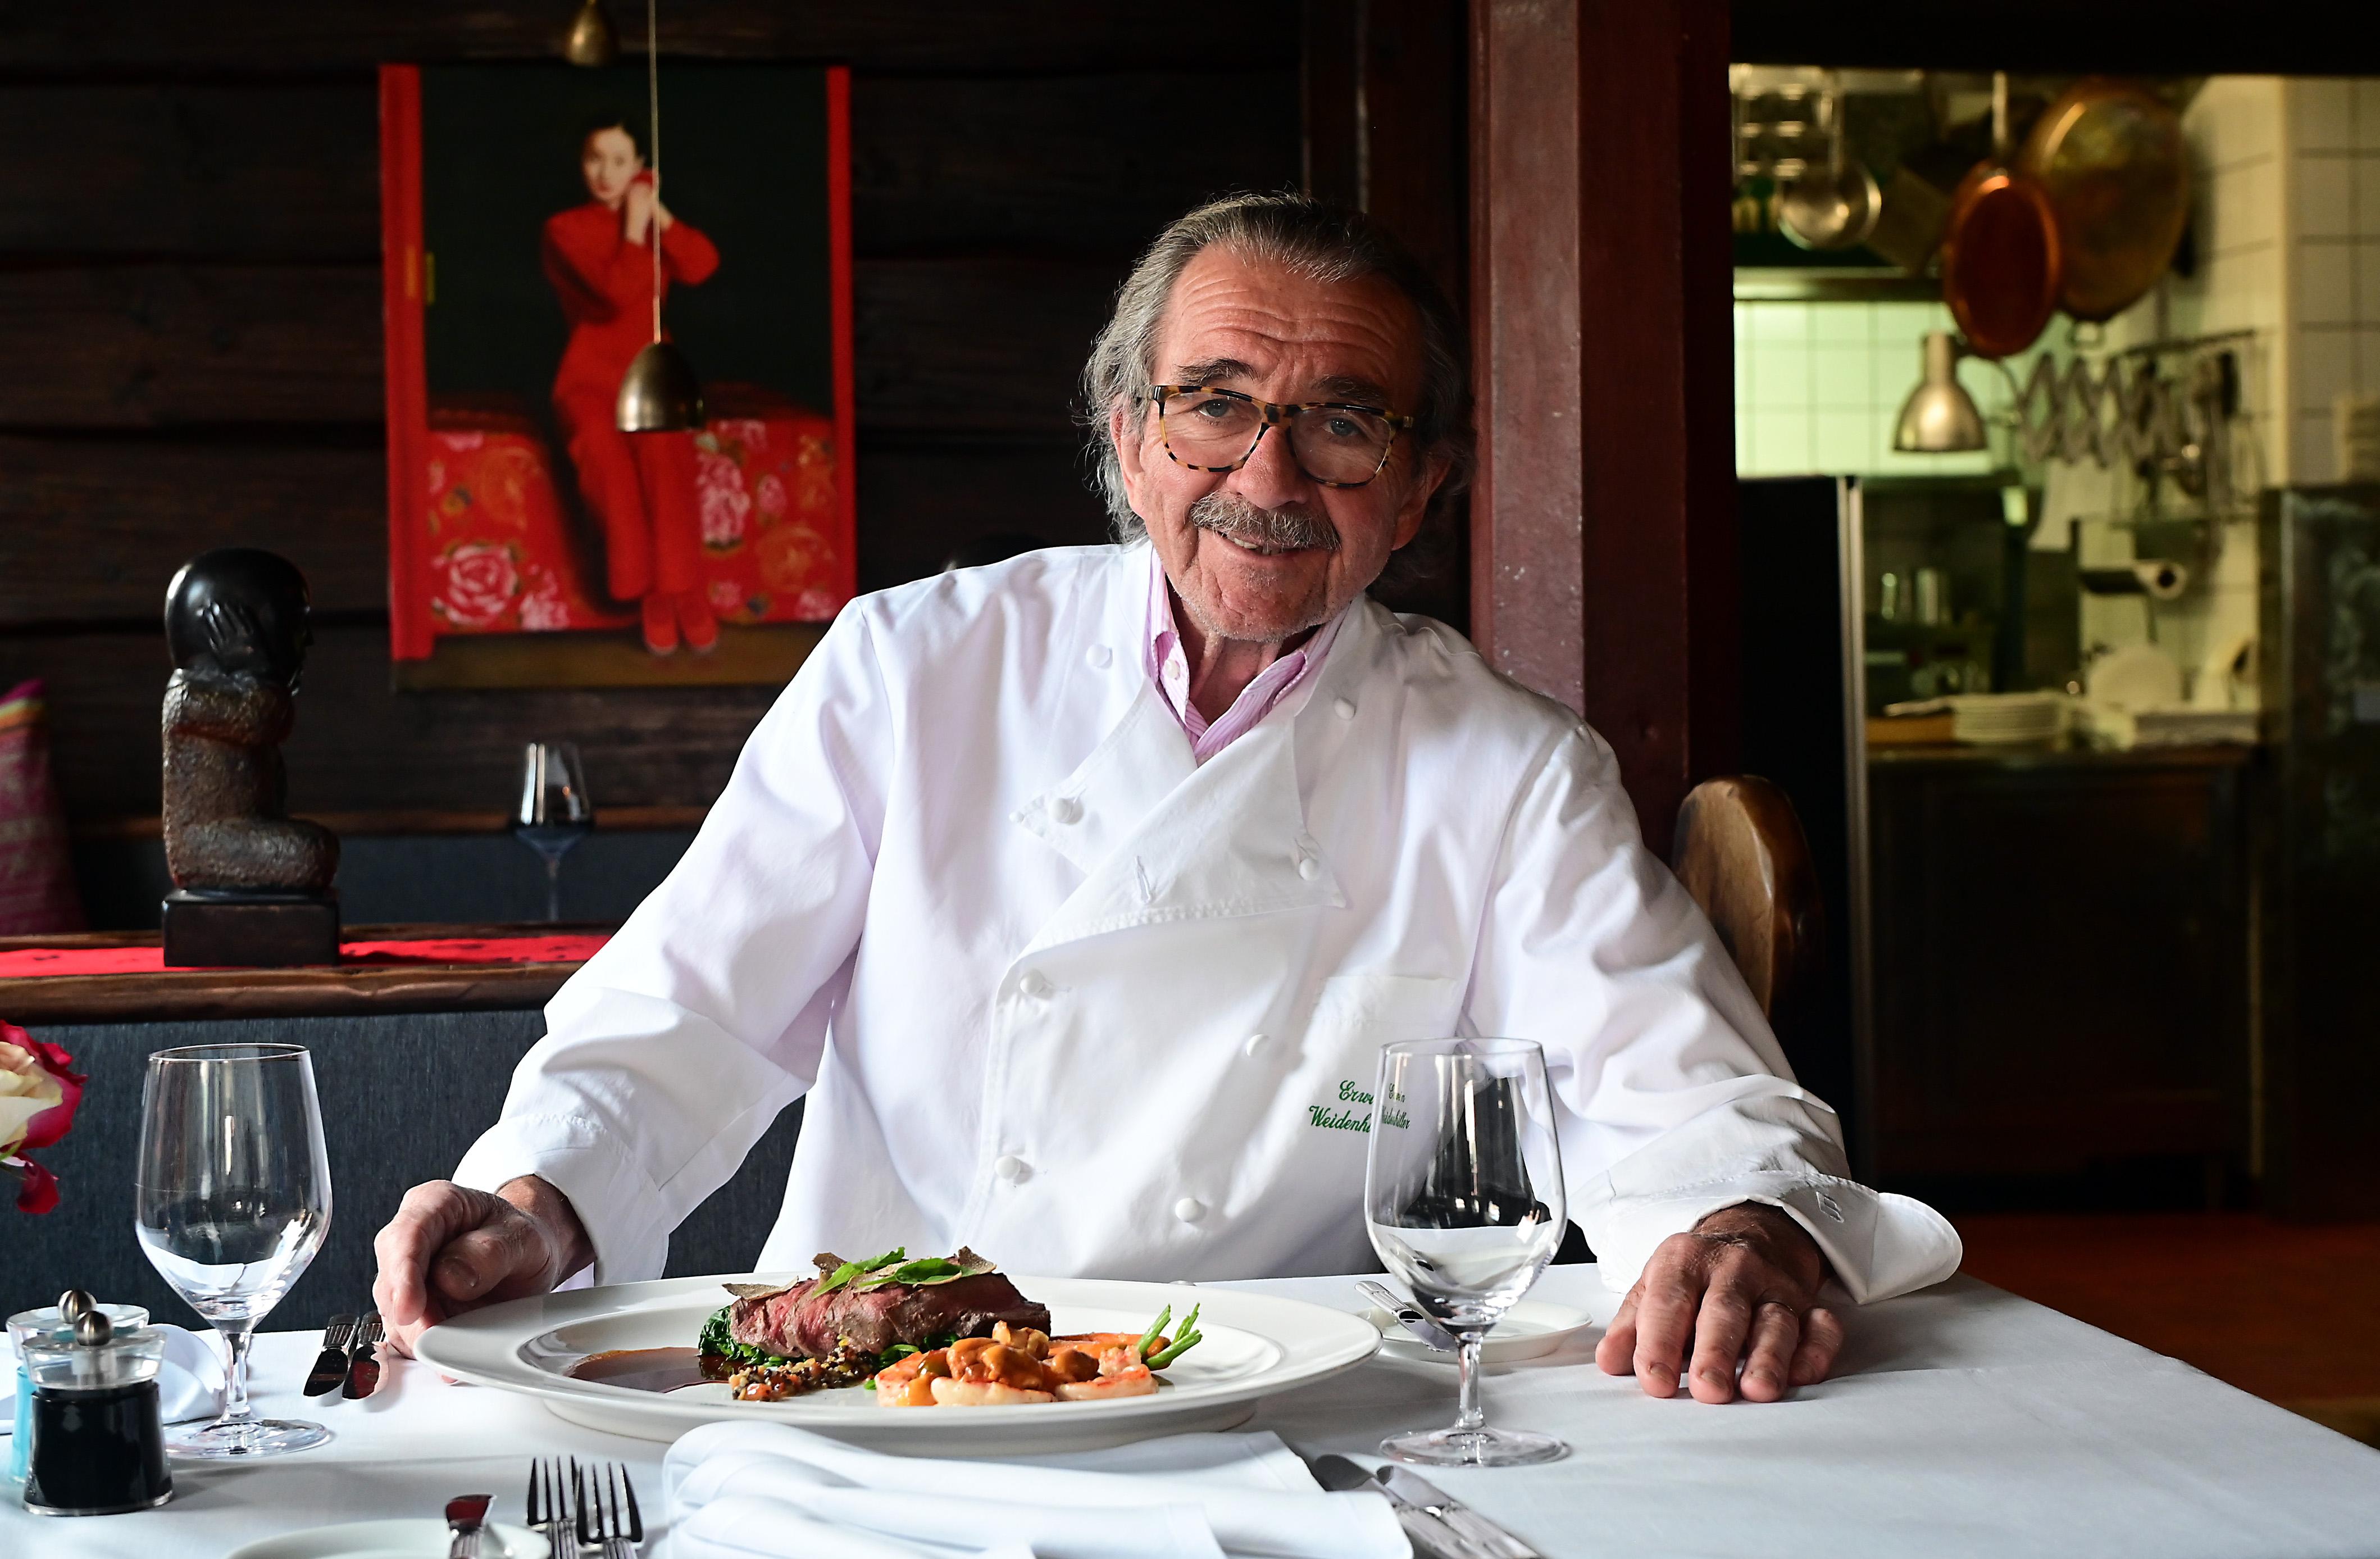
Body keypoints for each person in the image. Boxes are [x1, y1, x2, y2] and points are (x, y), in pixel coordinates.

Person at [377, 194, 1960, 1405]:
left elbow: (1682, 1095)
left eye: (1343, 421)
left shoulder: (1506, 765)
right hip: (869, 1399)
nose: (1268, 479)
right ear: (1127, 440)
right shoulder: (913, 667)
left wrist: (1740, 1222)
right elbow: (693, 1009)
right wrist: (542, 1197)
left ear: (1419, 486)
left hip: (1265, 1414)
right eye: (1213, 402)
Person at [542, 112, 721, 655]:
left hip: (653, 380)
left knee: (668, 464)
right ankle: (647, 595)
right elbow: (618, 292)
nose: (605, 172)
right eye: (595, 158)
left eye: (620, 161)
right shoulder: (564, 229)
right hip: (592, 383)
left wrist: (659, 215)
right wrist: (634, 228)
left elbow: (703, 264)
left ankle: (683, 592)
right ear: (581, 163)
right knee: (612, 472)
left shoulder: (649, 220)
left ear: (641, 168)